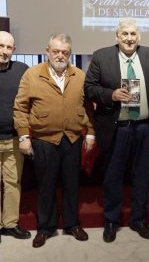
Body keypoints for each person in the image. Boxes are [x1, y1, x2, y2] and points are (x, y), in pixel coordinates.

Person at [13, 33, 95, 248]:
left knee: (71, 184)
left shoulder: (79, 75)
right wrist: (23, 136)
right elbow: (20, 108)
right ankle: (45, 228)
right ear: (47, 51)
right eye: (56, 51)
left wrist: (91, 132)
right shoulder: (32, 74)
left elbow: (88, 107)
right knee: (46, 186)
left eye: (65, 52)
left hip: (72, 138)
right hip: (44, 140)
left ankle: (72, 224)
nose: (60, 55)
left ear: (70, 53)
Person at [84, 18, 149, 243]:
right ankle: (111, 220)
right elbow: (89, 88)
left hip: (144, 126)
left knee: (143, 175)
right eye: (124, 34)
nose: (129, 38)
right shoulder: (101, 56)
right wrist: (111, 95)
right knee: (113, 176)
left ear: (139, 37)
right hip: (117, 127)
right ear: (117, 37)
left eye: (133, 34)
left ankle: (138, 220)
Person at [0, 31, 31, 243]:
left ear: (14, 49)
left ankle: (9, 224)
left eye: (9, 47)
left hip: (12, 138)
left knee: (13, 183)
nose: (4, 51)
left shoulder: (22, 70)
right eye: (1, 46)